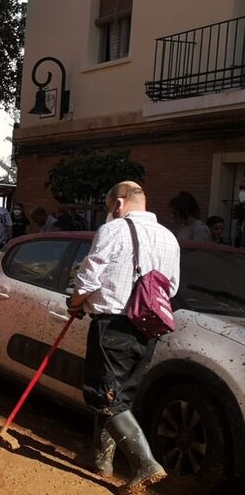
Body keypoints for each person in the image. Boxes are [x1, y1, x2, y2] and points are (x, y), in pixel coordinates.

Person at [67, 181, 177, 493]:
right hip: (148, 327)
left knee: (102, 394)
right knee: (120, 397)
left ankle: (145, 463)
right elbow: (172, 287)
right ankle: (102, 462)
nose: (108, 213)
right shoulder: (169, 238)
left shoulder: (113, 230)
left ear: (118, 203)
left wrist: (75, 303)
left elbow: (89, 277)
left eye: (107, 207)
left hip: (113, 324)